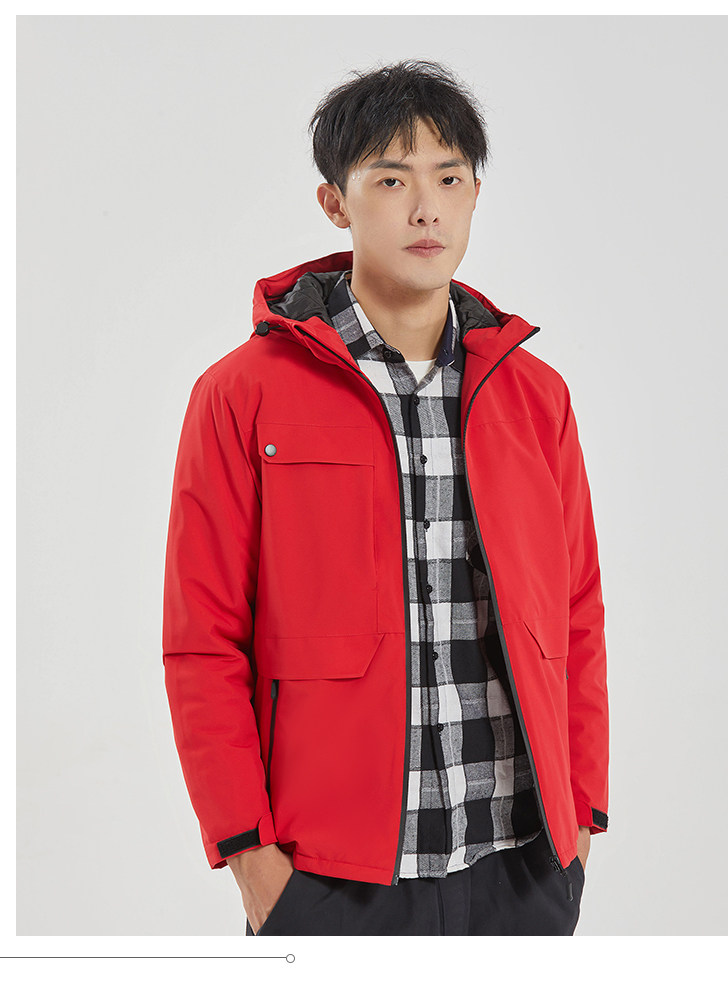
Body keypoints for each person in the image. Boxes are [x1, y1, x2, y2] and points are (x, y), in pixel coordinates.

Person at [162, 59, 609, 937]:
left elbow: (577, 613)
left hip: (520, 859)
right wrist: (250, 853)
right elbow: (202, 636)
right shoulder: (242, 393)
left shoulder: (535, 396)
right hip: (327, 876)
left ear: (475, 194)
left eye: (449, 178)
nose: (426, 208)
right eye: (392, 180)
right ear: (336, 201)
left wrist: (581, 819)